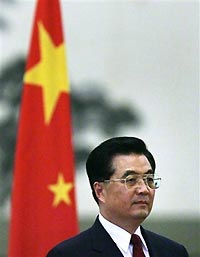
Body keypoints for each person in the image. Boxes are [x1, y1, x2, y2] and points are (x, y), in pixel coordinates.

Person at [46, 136, 189, 257]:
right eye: (131, 180)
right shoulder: (68, 254)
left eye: (149, 179)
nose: (144, 189)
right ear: (100, 191)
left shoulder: (173, 252)